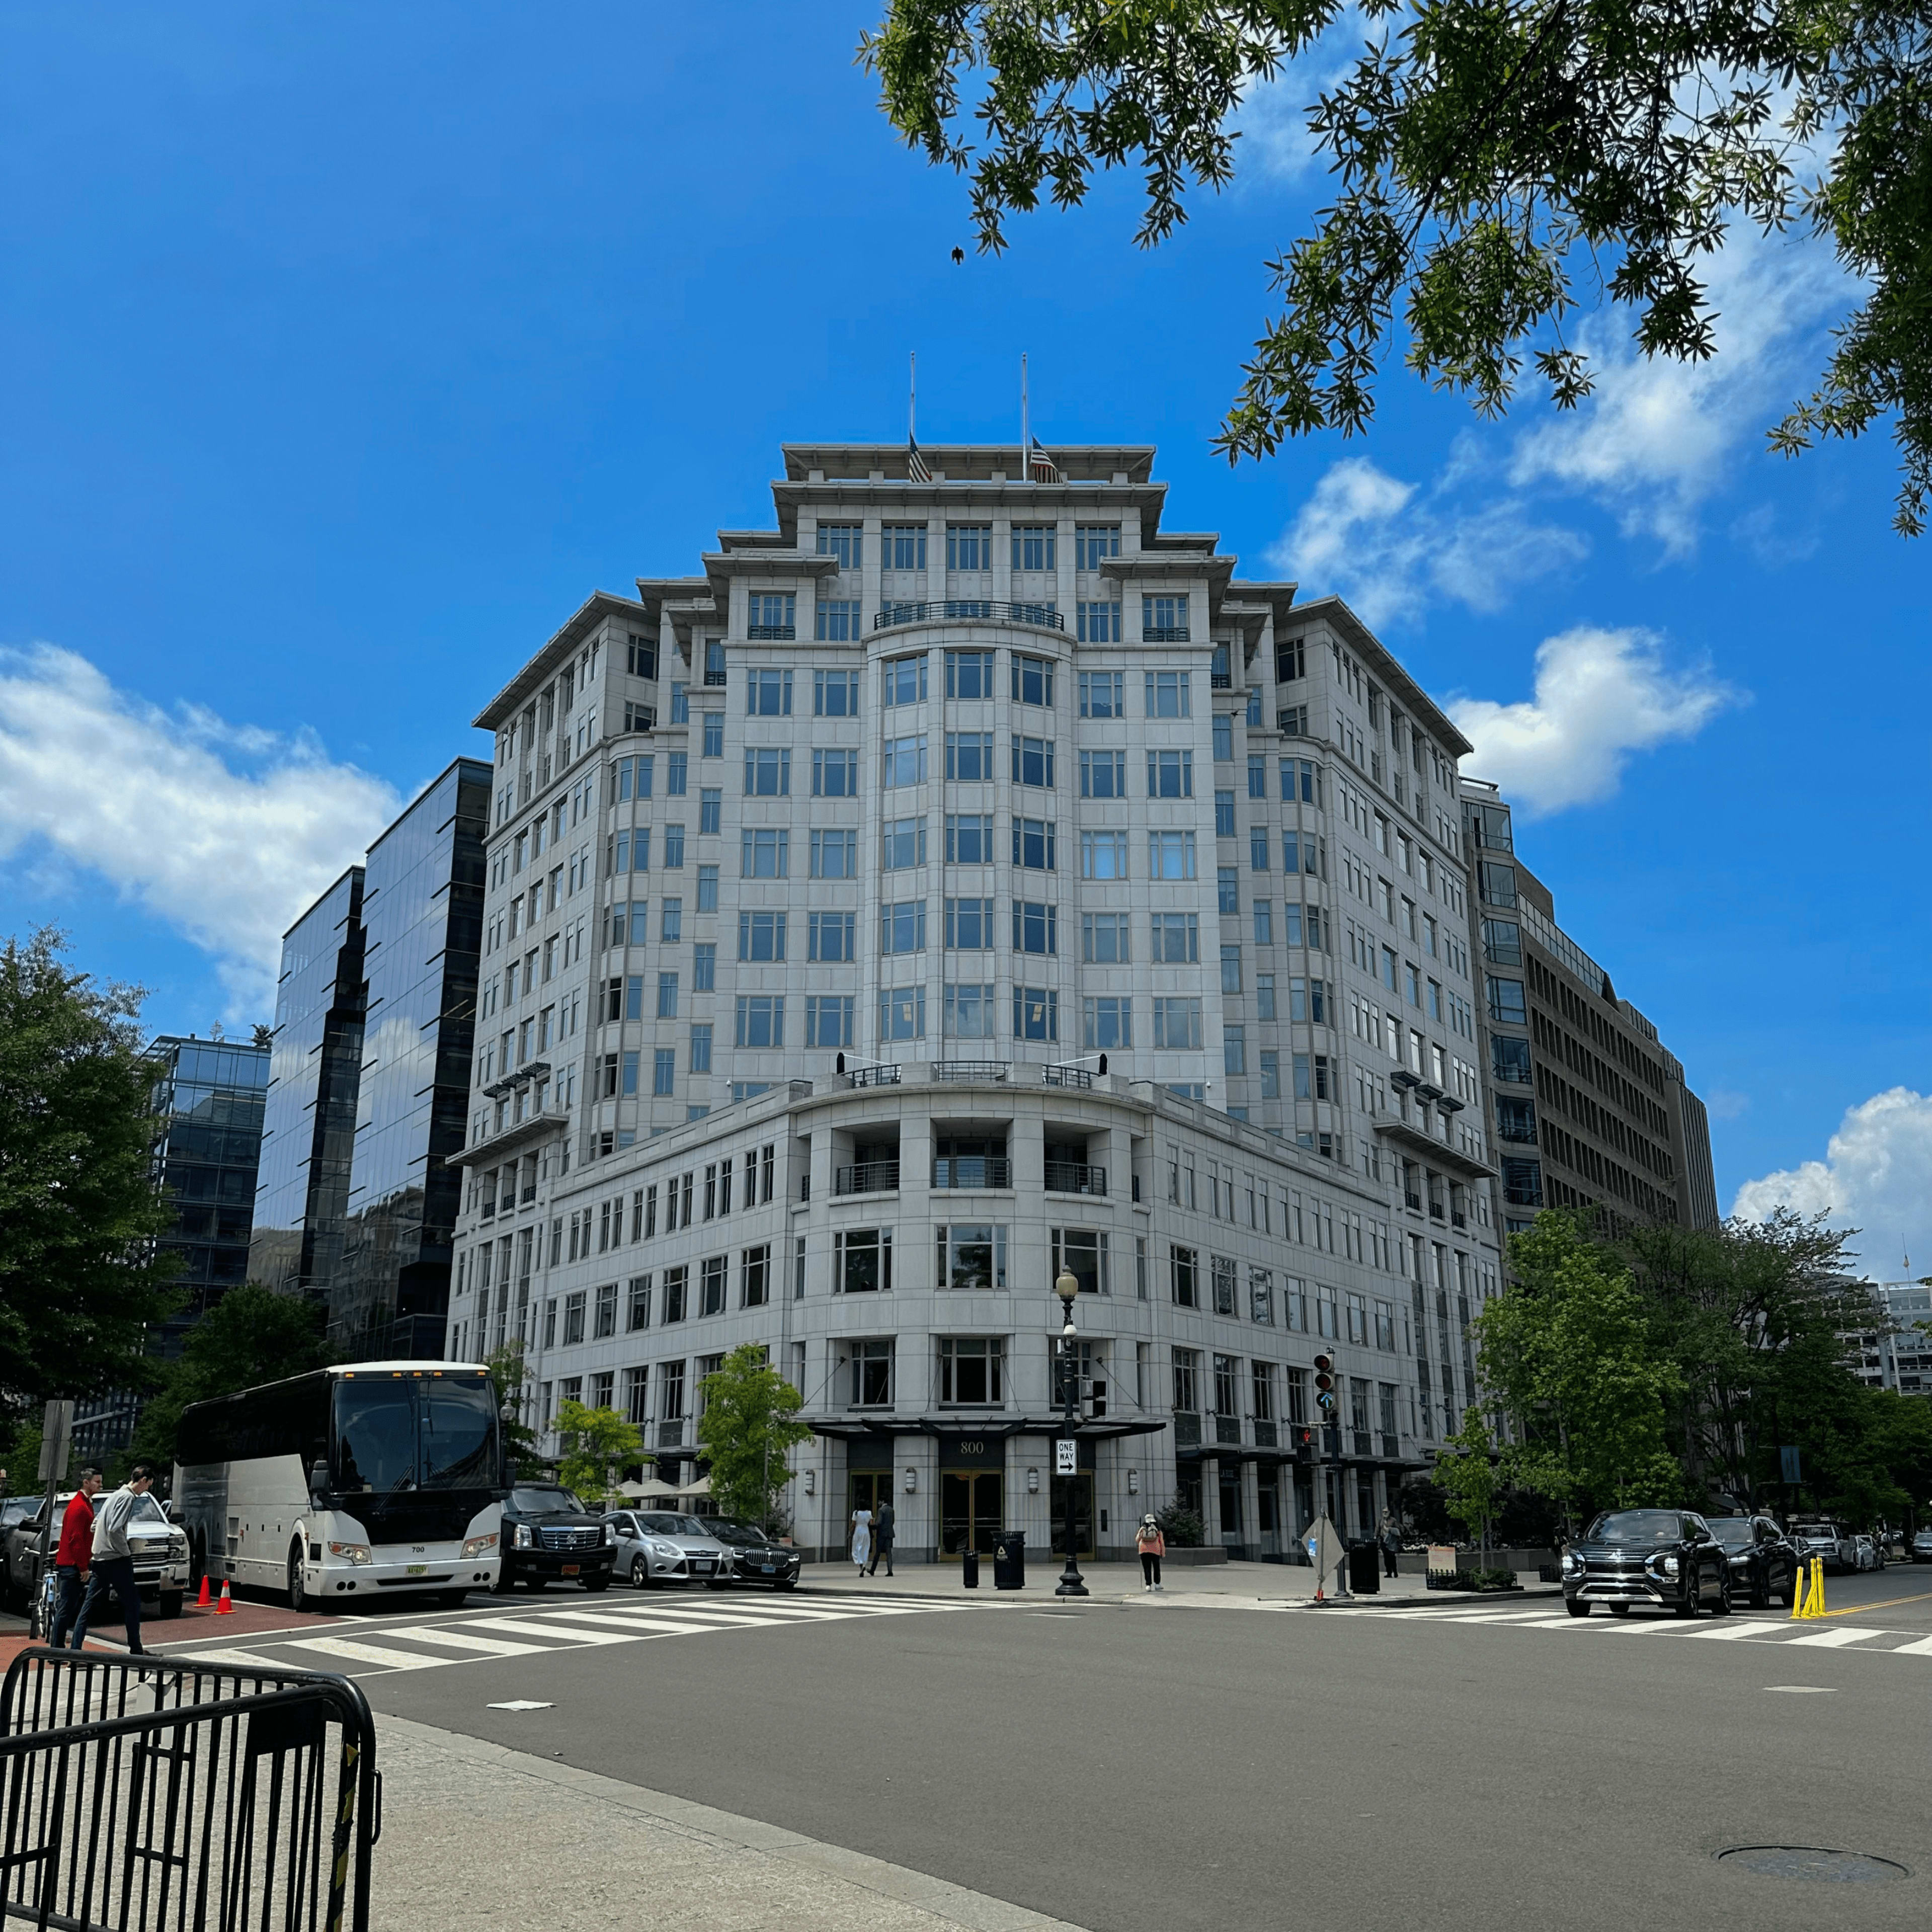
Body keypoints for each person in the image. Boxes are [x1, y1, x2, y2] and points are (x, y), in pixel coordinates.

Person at [82, 1463, 157, 1657]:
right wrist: (126, 1551)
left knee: (88, 1606)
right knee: (132, 1603)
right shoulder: (128, 1498)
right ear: (143, 1480)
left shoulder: (115, 1495)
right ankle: (136, 1650)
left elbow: (95, 1525)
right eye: (148, 1485)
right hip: (116, 1559)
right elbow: (115, 1529)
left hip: (100, 1558)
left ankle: (74, 1651)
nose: (147, 1489)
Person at [49, 1468, 103, 1650]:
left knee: (69, 1607)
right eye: (97, 1482)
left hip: (72, 1564)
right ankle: (57, 1649)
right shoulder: (79, 1506)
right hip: (72, 1565)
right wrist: (82, 1567)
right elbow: (76, 1540)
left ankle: (58, 1648)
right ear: (86, 1483)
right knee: (66, 1608)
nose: (101, 1485)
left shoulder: (84, 1504)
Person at [1136, 1514, 1165, 1592]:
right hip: (1155, 1550)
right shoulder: (1157, 1529)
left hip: (1144, 1550)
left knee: (1147, 1568)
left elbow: (1137, 1539)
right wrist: (1163, 1553)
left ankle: (1148, 1585)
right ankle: (1157, 1584)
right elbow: (1161, 1542)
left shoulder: (1142, 1528)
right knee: (1156, 1567)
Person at [868, 1498, 896, 1578]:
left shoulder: (881, 1510)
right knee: (889, 1553)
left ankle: (873, 1570)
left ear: (883, 1502)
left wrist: (872, 1527)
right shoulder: (891, 1510)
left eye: (879, 1502)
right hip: (890, 1533)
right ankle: (890, 1571)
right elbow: (893, 1522)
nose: (878, 1503)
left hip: (882, 1534)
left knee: (878, 1553)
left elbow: (879, 1522)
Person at [850, 1502, 873, 1577]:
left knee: (857, 1548)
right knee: (865, 1548)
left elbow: (853, 1524)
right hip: (866, 1531)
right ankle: (864, 1565)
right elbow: (872, 1523)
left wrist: (850, 1532)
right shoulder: (869, 1513)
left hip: (858, 1531)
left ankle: (861, 1565)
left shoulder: (856, 1513)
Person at [1379, 1510, 1402, 1580]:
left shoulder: (1393, 1520)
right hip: (1384, 1540)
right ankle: (1389, 1573)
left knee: (1392, 1557)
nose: (1385, 1513)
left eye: (1386, 1512)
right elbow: (1378, 1529)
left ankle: (1395, 1571)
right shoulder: (1381, 1521)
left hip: (1391, 1541)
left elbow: (1398, 1529)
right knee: (1386, 1558)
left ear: (1389, 1512)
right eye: (1384, 1512)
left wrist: (1390, 1529)